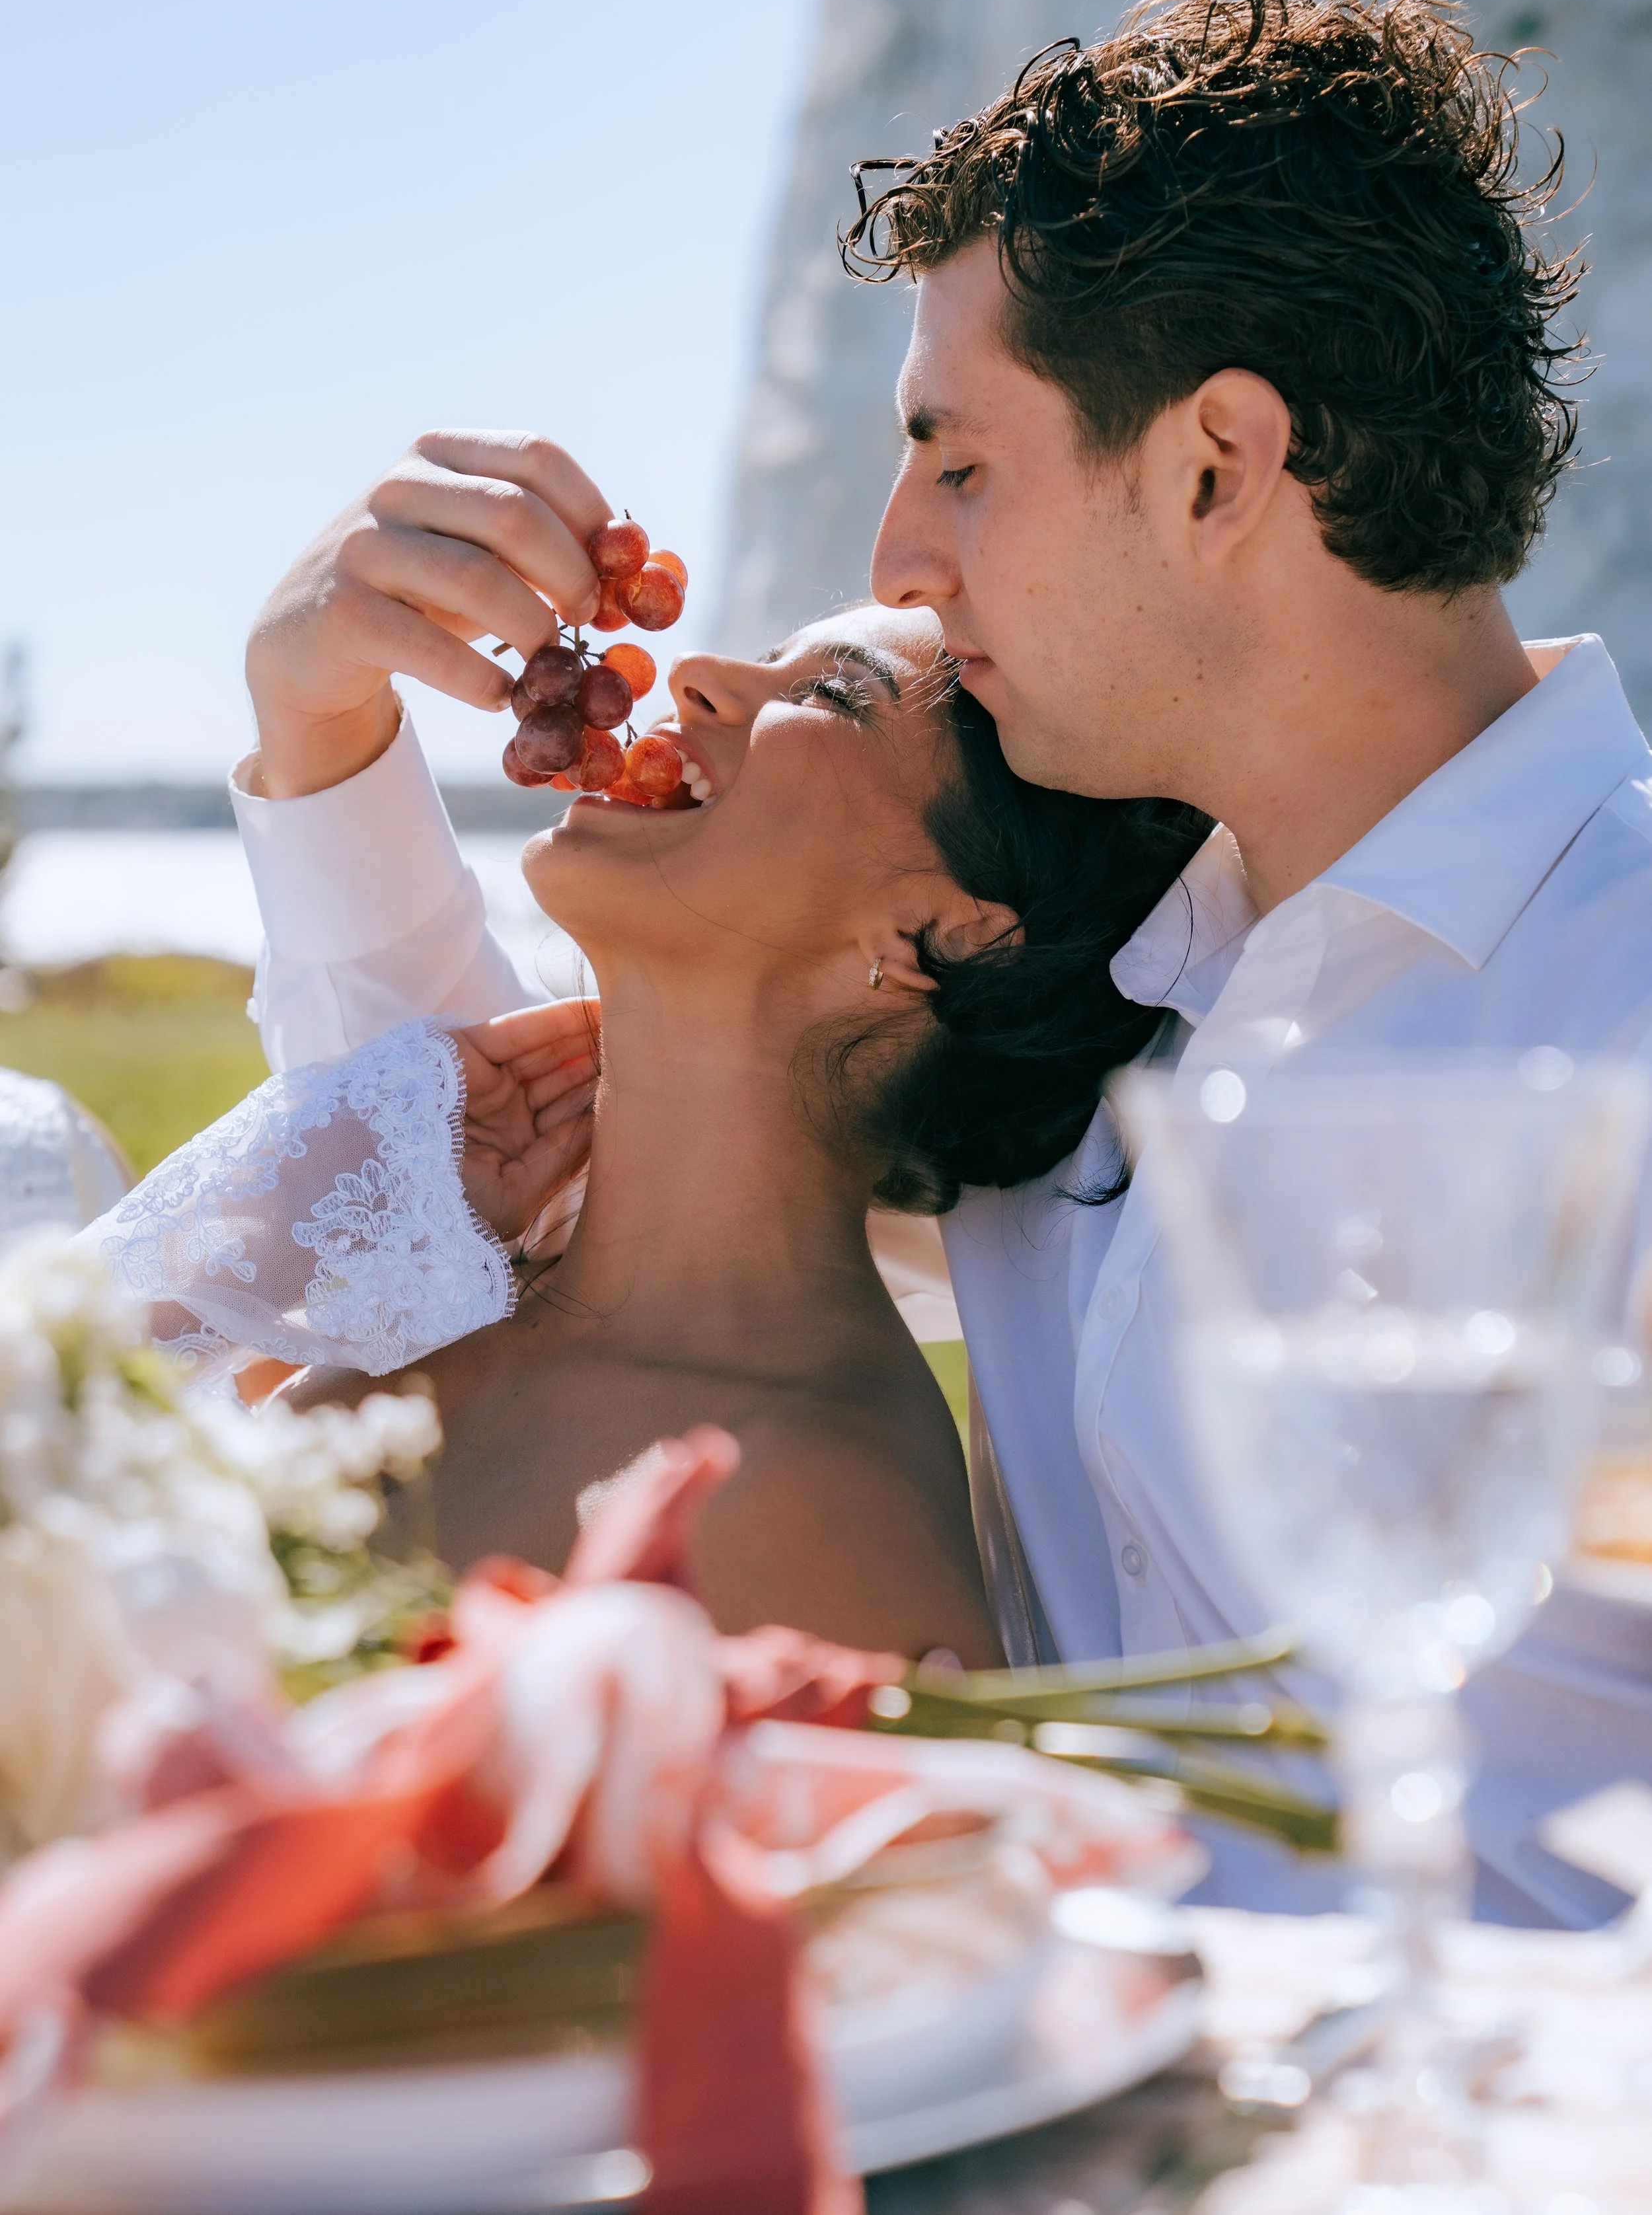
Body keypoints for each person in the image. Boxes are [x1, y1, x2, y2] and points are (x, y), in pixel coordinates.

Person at [221, 0, 1652, 1922]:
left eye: (960, 458)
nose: (898, 549)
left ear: (1215, 468)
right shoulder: (1112, 1009)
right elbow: (557, 1157)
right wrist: (319, 737)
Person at [91, 601, 1206, 1669]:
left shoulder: (813, 1523)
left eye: (831, 693)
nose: (696, 674)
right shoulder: (422, 1269)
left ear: (941, 934)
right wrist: (284, 1235)